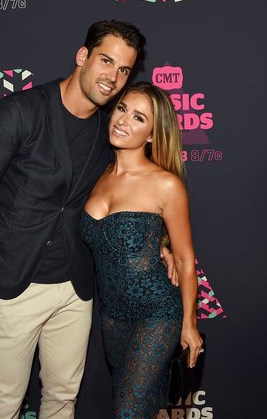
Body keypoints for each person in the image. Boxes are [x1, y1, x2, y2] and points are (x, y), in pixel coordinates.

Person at [0, 21, 175, 419]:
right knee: (2, 407)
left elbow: (135, 190)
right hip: (13, 284)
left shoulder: (110, 130)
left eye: (124, 70)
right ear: (82, 56)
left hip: (75, 291)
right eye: (106, 61)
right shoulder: (20, 112)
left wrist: (160, 243)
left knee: (62, 401)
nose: (113, 77)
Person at [80, 81, 204, 418]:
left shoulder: (166, 184)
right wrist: (159, 244)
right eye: (122, 109)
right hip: (112, 319)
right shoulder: (96, 173)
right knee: (142, 410)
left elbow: (184, 259)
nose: (123, 120)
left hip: (156, 314)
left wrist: (189, 323)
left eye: (139, 118)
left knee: (128, 411)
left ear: (152, 134)